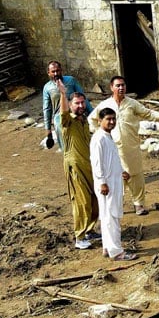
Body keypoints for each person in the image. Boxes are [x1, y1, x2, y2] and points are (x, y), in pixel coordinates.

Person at [89, 76, 159, 215]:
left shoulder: (132, 104)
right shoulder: (104, 105)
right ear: (111, 87)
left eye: (123, 85)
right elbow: (92, 119)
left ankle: (139, 204)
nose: (121, 88)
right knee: (117, 177)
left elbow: (147, 113)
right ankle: (116, 205)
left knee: (136, 175)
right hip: (113, 148)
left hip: (131, 146)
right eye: (117, 86)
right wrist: (100, 134)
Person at [90, 107, 137, 261]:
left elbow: (111, 159)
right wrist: (102, 182)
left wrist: (121, 171)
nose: (111, 122)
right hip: (106, 185)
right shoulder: (99, 138)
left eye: (113, 119)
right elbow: (97, 163)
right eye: (108, 119)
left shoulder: (108, 137)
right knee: (111, 217)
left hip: (113, 181)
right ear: (100, 121)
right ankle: (117, 252)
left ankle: (107, 247)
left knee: (108, 216)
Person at [57, 81, 99, 250]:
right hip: (76, 169)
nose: (81, 106)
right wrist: (62, 95)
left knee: (94, 201)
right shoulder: (68, 121)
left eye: (83, 102)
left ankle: (90, 230)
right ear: (70, 105)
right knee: (81, 202)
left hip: (90, 167)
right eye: (77, 103)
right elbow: (64, 113)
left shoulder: (84, 121)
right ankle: (79, 236)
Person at [42, 61, 93, 150]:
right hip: (60, 119)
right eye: (53, 71)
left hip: (77, 116)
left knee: (84, 143)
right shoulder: (47, 88)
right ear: (48, 73)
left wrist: (92, 114)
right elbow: (47, 109)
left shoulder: (71, 81)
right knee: (66, 147)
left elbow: (83, 97)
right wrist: (48, 131)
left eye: (58, 71)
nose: (56, 73)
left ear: (61, 70)